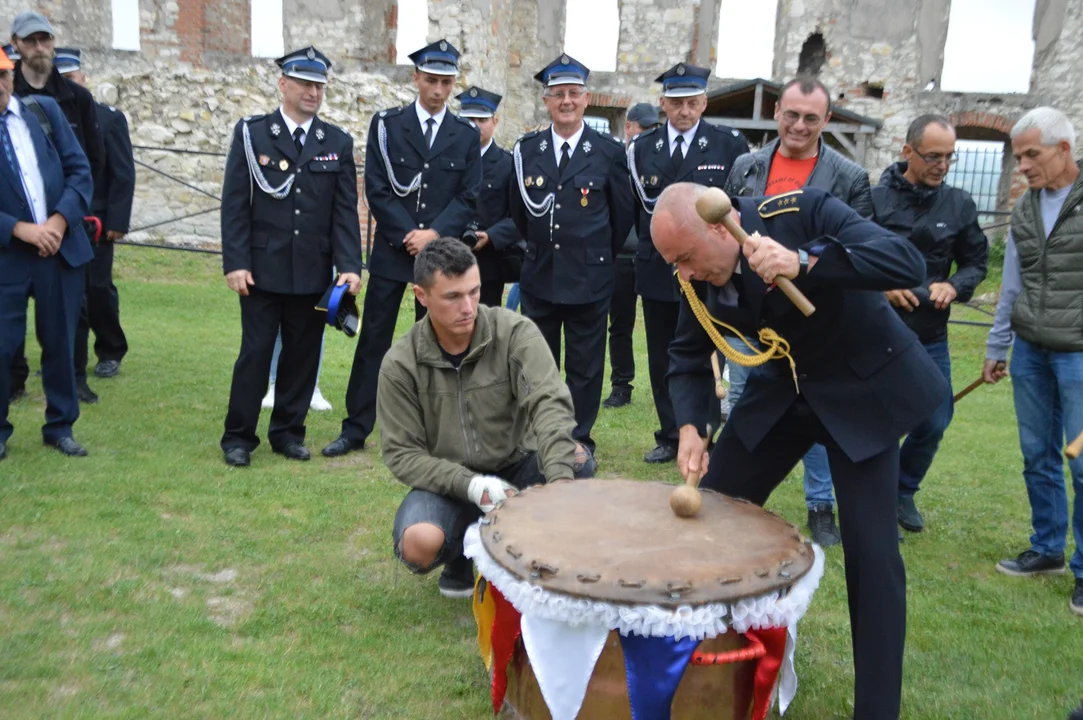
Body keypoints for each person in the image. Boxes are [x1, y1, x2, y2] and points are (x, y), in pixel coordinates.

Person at [658, 182, 945, 719]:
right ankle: (700, 656)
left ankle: (877, 711)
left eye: (689, 259)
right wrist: (691, 426)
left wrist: (806, 261)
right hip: (785, 390)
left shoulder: (803, 210)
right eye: (676, 264)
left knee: (871, 552)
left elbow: (905, 262)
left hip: (860, 387)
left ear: (719, 228)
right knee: (712, 513)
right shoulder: (693, 272)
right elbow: (686, 350)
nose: (686, 275)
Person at [379, 238, 592, 597]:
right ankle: (463, 560)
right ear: (420, 295)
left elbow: (549, 404)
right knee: (418, 543)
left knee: (576, 461)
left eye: (474, 292)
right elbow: (402, 454)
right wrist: (471, 485)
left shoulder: (515, 333)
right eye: (453, 297)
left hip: (518, 465)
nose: (468, 307)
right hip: (449, 484)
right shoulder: (400, 363)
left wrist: (559, 489)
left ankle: (532, 553)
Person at [723, 76, 873, 547]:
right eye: (792, 114)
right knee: (745, 403)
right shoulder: (746, 167)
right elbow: (728, 229)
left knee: (820, 412)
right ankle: (738, 501)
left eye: (812, 117)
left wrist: (804, 265)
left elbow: (860, 250)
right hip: (752, 316)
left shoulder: (848, 177)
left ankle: (821, 505)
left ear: (827, 120)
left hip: (815, 320)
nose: (800, 125)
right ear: (776, 114)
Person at [323, 39, 481, 458]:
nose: (438, 91)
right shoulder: (388, 125)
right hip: (395, 253)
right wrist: (408, 233)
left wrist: (433, 235)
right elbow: (375, 187)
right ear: (415, 79)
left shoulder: (464, 134)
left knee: (440, 342)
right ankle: (355, 427)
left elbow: (469, 196)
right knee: (374, 339)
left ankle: (437, 432)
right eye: (431, 81)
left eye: (446, 83)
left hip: (440, 258)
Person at [218, 46, 362, 467]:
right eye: (304, 83)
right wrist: (236, 262)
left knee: (303, 356)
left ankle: (287, 433)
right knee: (256, 354)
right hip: (261, 270)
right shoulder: (254, 134)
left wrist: (350, 266)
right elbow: (234, 204)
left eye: (319, 85)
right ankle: (239, 437)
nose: (313, 92)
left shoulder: (335, 141)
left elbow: (343, 212)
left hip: (313, 270)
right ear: (283, 85)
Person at [983, 106, 1083, 618]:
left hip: (1079, 356)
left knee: (1082, 461)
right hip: (1030, 352)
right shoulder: (1025, 209)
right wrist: (997, 347)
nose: (1022, 166)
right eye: (1018, 155)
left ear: (1064, 150)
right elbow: (1012, 285)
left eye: (1031, 155)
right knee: (1037, 455)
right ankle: (1047, 549)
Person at [508, 53, 634, 457]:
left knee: (585, 367)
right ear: (546, 101)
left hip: (589, 277)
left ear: (585, 99)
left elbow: (621, 216)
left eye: (574, 94)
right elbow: (519, 211)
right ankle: (539, 436)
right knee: (538, 365)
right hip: (541, 274)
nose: (566, 101)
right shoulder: (527, 150)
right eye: (558, 94)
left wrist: (594, 254)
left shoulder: (609, 152)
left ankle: (578, 439)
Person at [626, 63, 748, 463]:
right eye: (676, 103)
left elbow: (736, 206)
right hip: (660, 268)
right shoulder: (643, 148)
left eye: (692, 102)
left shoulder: (728, 144)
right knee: (664, 353)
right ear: (662, 103)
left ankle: (704, 430)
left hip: (709, 267)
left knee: (709, 351)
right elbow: (632, 209)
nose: (684, 111)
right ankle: (669, 433)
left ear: (704, 103)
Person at [874, 115, 988, 532]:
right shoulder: (874, 199)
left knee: (935, 419)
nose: (942, 165)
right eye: (933, 156)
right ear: (908, 152)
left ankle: (903, 490)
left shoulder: (959, 204)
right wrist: (879, 288)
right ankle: (876, 499)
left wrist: (955, 286)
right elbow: (848, 258)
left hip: (930, 334)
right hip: (880, 331)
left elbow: (977, 262)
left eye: (949, 157)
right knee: (880, 422)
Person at [0, 45, 94, 459]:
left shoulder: (44, 112)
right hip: (9, 255)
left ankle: (60, 425)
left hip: (58, 250)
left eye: (3, 75)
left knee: (60, 341)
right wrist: (20, 229)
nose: (0, 84)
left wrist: (56, 223)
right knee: (3, 344)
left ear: (13, 75)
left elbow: (80, 172)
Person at [8, 13, 106, 405]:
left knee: (73, 313)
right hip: (15, 230)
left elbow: (91, 162)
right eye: (31, 41)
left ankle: (74, 380)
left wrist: (71, 218)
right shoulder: (6, 95)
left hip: (67, 223)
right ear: (15, 44)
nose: (39, 48)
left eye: (45, 40)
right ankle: (14, 380)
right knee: (9, 321)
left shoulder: (75, 98)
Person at [56, 49, 134, 383]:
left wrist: (116, 222)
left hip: (96, 220)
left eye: (71, 79)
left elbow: (122, 173)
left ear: (83, 79)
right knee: (61, 289)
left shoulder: (108, 119)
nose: (67, 88)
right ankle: (67, 356)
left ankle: (111, 349)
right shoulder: (43, 118)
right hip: (57, 217)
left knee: (98, 288)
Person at [600, 102, 659, 411]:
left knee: (659, 328)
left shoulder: (655, 160)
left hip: (650, 252)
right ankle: (622, 384)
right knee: (620, 324)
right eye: (641, 128)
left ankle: (668, 385)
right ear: (629, 127)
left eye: (651, 129)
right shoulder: (616, 159)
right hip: (621, 254)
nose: (645, 135)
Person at [455, 85, 523, 308]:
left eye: (481, 120)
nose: (475, 126)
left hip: (488, 264)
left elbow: (520, 216)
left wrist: (492, 236)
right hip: (449, 258)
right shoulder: (447, 161)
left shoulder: (509, 164)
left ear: (495, 121)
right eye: (469, 120)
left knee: (485, 329)